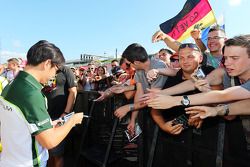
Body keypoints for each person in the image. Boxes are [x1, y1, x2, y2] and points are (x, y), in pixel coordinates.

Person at [0, 40, 83, 167]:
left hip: (9, 158)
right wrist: (72, 120)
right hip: (28, 162)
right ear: (47, 63)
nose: (54, 75)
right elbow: (49, 141)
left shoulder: (11, 85)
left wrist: (50, 124)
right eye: (56, 69)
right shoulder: (31, 93)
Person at [43, 65, 77, 167]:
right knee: (46, 153)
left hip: (59, 117)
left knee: (57, 153)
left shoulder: (65, 70)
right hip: (44, 117)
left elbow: (73, 91)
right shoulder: (44, 69)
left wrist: (66, 113)